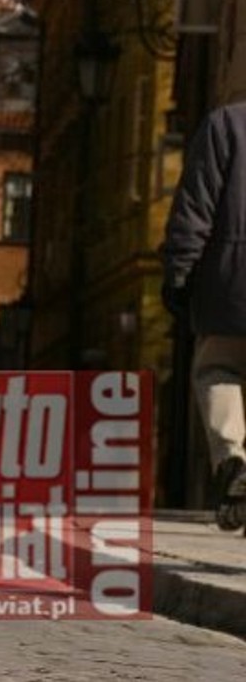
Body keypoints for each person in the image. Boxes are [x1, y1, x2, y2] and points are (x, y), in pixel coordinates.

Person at [160, 100, 246, 530]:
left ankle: (231, 457)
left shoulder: (225, 124)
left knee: (218, 369)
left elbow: (194, 209)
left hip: (231, 284)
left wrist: (178, 273)